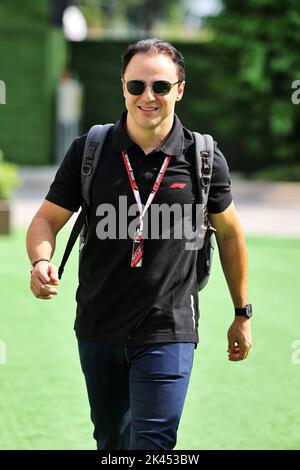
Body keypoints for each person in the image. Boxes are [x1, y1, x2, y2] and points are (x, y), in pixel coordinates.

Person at [26, 38, 252, 451]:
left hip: (169, 328)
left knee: (153, 444)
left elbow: (232, 233)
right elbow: (45, 219)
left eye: (161, 87)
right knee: (112, 443)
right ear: (123, 87)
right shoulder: (90, 151)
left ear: (179, 90)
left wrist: (242, 312)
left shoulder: (203, 157)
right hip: (98, 327)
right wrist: (40, 261)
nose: (148, 96)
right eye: (137, 86)